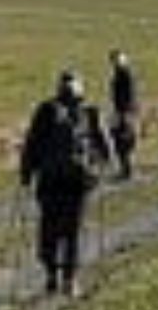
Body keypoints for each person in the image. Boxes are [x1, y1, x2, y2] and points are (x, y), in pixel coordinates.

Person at [19, 68, 112, 297]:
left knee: (49, 229)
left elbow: (32, 144)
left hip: (49, 181)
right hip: (77, 183)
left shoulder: (46, 111)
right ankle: (70, 280)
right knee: (73, 232)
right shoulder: (89, 113)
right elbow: (105, 147)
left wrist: (26, 173)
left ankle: (51, 275)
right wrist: (100, 166)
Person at [107, 49, 142, 181]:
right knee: (120, 140)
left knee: (124, 140)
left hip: (125, 112)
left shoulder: (126, 75)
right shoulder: (120, 74)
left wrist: (126, 114)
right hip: (121, 111)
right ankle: (125, 168)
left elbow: (130, 95)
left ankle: (127, 170)